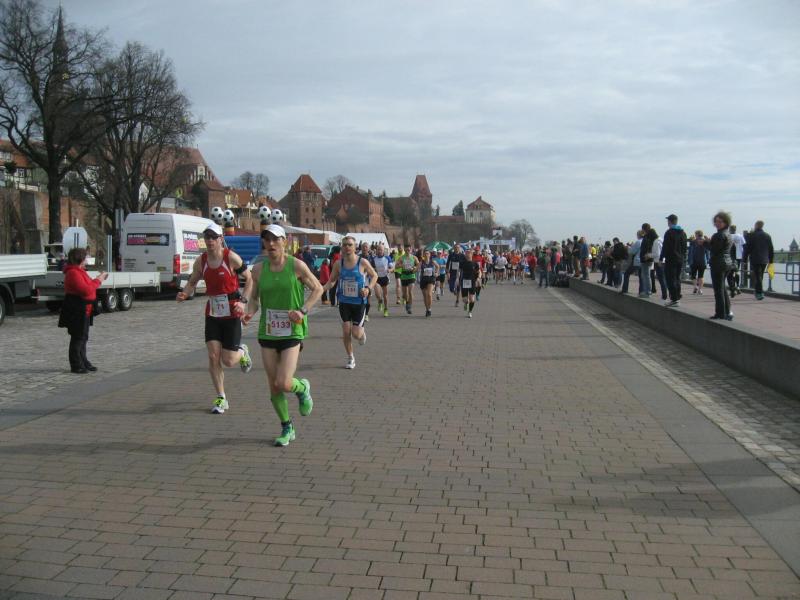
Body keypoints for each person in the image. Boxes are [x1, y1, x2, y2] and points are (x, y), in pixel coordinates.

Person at [243, 224, 322, 446]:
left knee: (284, 382)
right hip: (268, 331)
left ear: (284, 241)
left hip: (292, 330)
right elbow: (255, 299)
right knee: (274, 385)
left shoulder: (296, 265)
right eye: (267, 240)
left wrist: (303, 311)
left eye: (275, 239)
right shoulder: (258, 270)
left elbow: (318, 289)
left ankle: (302, 388)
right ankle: (287, 427)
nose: (270, 244)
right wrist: (249, 313)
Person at [177, 222, 253, 414]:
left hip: (232, 311)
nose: (210, 241)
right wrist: (184, 293)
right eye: (207, 237)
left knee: (229, 360)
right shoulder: (201, 261)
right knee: (213, 356)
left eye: (213, 237)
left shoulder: (231, 257)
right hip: (212, 312)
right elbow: (192, 281)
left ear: (220, 239)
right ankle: (221, 397)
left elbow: (250, 279)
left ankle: (242, 352)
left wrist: (243, 302)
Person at [322, 235, 377, 369]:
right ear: (341, 247)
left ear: (355, 247)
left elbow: (374, 275)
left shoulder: (362, 262)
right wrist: (321, 289)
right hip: (344, 302)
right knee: (346, 331)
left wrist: (368, 289)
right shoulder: (338, 264)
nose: (347, 247)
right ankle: (350, 357)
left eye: (350, 245)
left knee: (356, 334)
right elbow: (332, 281)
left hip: (359, 303)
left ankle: (362, 334)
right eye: (345, 245)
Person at [59, 247, 108, 374]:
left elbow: (89, 285)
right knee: (78, 337)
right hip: (77, 309)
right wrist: (99, 280)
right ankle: (76, 364)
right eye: (85, 258)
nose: (86, 260)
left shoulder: (80, 271)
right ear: (80, 259)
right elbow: (86, 290)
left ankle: (83, 361)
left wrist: (98, 279)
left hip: (85, 309)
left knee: (83, 337)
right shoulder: (73, 273)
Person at [708, 211, 734, 320]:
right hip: (727, 263)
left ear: (725, 222)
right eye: (716, 221)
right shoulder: (728, 234)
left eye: (720, 221)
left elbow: (714, 249)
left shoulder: (719, 235)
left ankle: (720, 313)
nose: (717, 223)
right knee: (722, 288)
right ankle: (727, 312)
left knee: (718, 290)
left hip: (718, 264)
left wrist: (704, 243)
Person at [743, 220, 774, 301]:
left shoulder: (752, 235)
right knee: (760, 275)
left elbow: (747, 248)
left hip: (755, 258)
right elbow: (771, 249)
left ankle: (759, 293)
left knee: (757, 276)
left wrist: (744, 259)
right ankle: (758, 291)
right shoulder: (767, 235)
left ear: (756, 225)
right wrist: (771, 261)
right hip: (764, 259)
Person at [661, 214, 687, 307]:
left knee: (670, 279)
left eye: (668, 221)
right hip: (680, 259)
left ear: (669, 221)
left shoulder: (669, 232)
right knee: (677, 278)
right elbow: (684, 247)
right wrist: (683, 257)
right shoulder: (683, 233)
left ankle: (674, 299)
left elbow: (665, 247)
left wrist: (661, 258)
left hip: (671, 258)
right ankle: (677, 297)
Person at [369, 244, 394, 317]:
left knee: (385, 295)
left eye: (381, 250)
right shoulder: (374, 259)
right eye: (378, 249)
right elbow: (371, 268)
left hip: (385, 277)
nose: (379, 251)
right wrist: (373, 269)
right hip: (376, 278)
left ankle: (386, 309)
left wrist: (389, 270)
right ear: (376, 250)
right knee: (377, 293)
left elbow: (392, 268)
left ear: (383, 250)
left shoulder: (387, 258)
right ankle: (380, 301)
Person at [397, 245, 419, 314]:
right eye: (406, 250)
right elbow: (396, 266)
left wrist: (415, 268)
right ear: (404, 250)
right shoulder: (401, 258)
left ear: (411, 250)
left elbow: (418, 265)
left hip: (411, 276)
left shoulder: (414, 257)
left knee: (410, 291)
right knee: (405, 294)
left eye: (408, 250)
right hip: (404, 276)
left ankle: (409, 306)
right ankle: (407, 302)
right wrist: (401, 265)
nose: (407, 251)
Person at [687, 231, 709, 295]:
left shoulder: (693, 242)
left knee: (693, 275)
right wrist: (708, 260)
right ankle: (700, 289)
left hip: (694, 261)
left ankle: (695, 287)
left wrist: (689, 260)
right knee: (701, 276)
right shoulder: (704, 242)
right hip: (702, 261)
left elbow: (690, 252)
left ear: (696, 235)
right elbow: (707, 252)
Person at [460, 249, 480, 318]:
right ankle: (466, 303)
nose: (468, 254)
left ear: (471, 254)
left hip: (472, 282)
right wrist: (457, 279)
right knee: (465, 299)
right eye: (467, 253)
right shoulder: (462, 263)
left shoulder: (475, 263)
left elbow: (479, 272)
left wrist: (478, 278)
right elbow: (459, 271)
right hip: (464, 282)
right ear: (465, 255)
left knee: (472, 299)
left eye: (469, 253)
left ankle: (470, 311)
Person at [418, 249, 438, 317]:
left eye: (427, 253)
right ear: (423, 255)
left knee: (429, 294)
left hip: (431, 279)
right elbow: (416, 269)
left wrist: (436, 272)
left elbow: (438, 266)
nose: (426, 255)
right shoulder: (421, 262)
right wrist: (413, 269)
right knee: (425, 296)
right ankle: (427, 309)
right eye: (425, 253)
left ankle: (429, 309)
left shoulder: (432, 261)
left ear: (430, 255)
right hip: (423, 280)